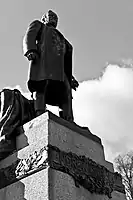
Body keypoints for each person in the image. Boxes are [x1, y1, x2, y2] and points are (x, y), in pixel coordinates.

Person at [23, 10, 78, 122]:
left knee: (66, 93)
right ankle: (39, 113)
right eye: (50, 16)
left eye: (55, 18)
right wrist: (30, 50)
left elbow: (66, 60)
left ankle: (68, 119)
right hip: (43, 64)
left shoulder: (63, 39)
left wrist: (70, 77)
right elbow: (29, 35)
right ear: (44, 19)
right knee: (41, 87)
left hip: (60, 72)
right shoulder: (40, 26)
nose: (53, 18)